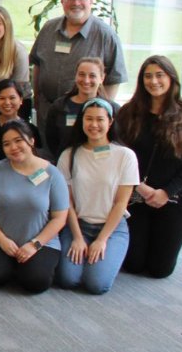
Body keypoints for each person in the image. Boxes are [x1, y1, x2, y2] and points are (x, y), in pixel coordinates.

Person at [116, 56, 182, 278]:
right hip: (137, 197)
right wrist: (140, 187)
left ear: (171, 78)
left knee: (160, 270)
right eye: (148, 76)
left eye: (159, 75)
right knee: (134, 265)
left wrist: (166, 192)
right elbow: (119, 156)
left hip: (175, 199)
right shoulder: (129, 112)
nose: (153, 81)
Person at [0, 121, 69, 293]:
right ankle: (11, 266)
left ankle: (23, 267)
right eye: (6, 144)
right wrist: (2, 240)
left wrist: (34, 245)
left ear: (31, 141)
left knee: (36, 282)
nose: (13, 147)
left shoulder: (52, 173)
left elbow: (60, 217)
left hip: (40, 242)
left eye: (18, 140)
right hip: (0, 240)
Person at [56, 99, 137, 294]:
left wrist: (102, 239)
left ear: (110, 122)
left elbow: (121, 203)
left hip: (112, 228)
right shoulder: (69, 155)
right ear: (81, 121)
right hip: (78, 225)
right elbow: (67, 202)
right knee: (68, 279)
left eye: (100, 119)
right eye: (89, 119)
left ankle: (105, 254)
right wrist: (76, 237)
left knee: (96, 284)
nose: (94, 125)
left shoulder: (125, 156)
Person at [30, 0, 127, 134]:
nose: (76, 3)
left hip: (87, 118)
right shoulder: (48, 29)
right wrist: (36, 98)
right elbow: (37, 64)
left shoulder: (106, 35)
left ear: (91, 2)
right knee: (48, 153)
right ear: (62, 2)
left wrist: (101, 108)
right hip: (47, 111)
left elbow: (114, 78)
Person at [44, 57, 118, 161]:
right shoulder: (59, 107)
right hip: (67, 164)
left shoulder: (113, 109)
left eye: (92, 75)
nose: (86, 80)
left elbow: (116, 141)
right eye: (82, 74)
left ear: (102, 78)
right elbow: (52, 141)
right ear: (76, 76)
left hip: (103, 164)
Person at [0, 79, 41, 168]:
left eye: (12, 98)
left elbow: (36, 163)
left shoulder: (31, 129)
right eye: (2, 98)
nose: (7, 102)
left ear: (21, 100)